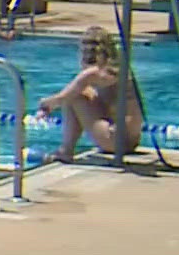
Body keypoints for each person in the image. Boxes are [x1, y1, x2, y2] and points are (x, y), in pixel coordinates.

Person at [37, 26, 143, 163]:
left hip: (116, 141)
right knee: (82, 93)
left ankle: (66, 151)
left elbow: (62, 98)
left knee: (76, 96)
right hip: (131, 140)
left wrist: (44, 105)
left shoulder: (94, 74)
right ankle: (66, 150)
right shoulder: (118, 69)